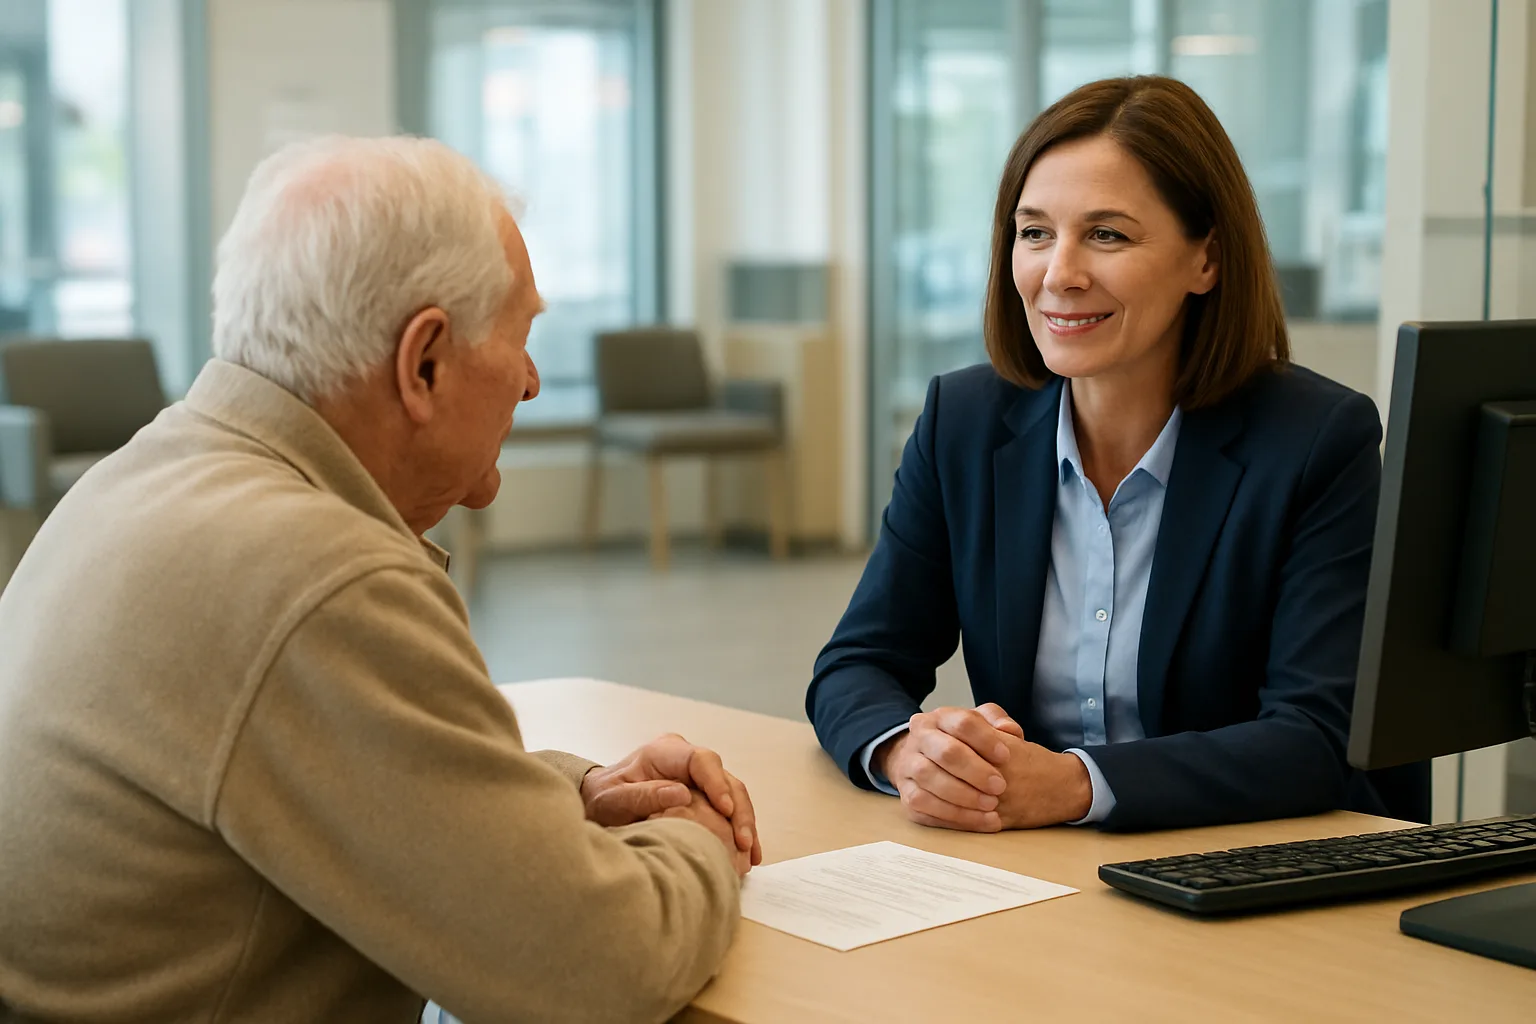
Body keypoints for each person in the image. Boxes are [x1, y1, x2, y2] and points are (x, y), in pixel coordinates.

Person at [0, 136, 760, 1024]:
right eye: (521, 337)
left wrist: (576, 796)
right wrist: (697, 842)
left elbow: (336, 786)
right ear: (424, 362)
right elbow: (601, 970)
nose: (531, 382)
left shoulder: (150, 473)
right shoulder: (321, 575)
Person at [807, 75, 1428, 835]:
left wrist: (1075, 785)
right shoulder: (962, 423)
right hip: (1039, 878)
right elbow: (857, 664)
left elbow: (1314, 738)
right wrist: (914, 754)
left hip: (1238, 871)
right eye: (1034, 232)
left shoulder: (1316, 440)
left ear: (1207, 261)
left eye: (1107, 235)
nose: (1059, 272)